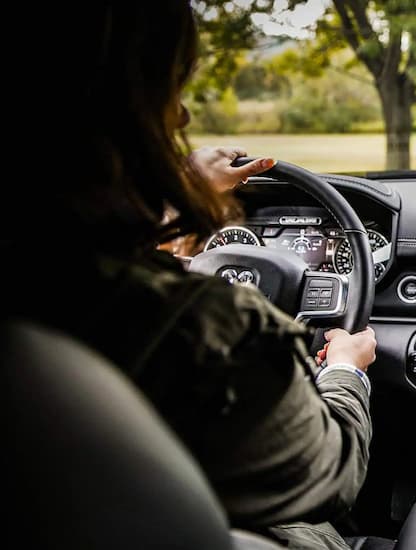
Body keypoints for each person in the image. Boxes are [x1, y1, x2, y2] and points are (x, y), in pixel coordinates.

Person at [3, 3, 382, 549]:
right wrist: (346, 372)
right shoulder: (202, 332)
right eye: (169, 89)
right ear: (113, 110)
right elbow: (330, 477)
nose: (181, 117)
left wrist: (173, 194)